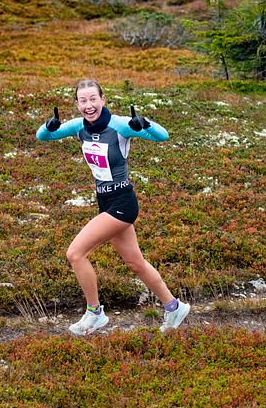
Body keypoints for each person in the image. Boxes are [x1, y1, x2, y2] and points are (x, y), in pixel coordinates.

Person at [36, 79, 190, 335]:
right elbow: (43, 136)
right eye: (83, 101)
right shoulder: (78, 127)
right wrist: (48, 126)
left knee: (75, 254)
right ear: (77, 104)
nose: (88, 105)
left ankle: (95, 313)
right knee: (135, 263)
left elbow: (163, 136)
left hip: (123, 202)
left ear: (103, 99)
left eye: (93, 99)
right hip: (105, 202)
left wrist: (145, 125)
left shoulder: (119, 125)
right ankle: (173, 306)